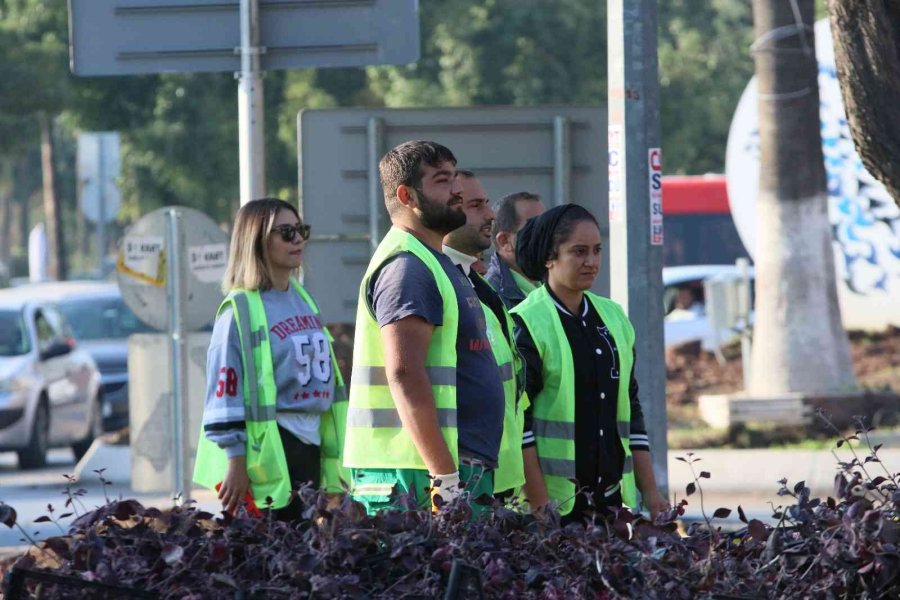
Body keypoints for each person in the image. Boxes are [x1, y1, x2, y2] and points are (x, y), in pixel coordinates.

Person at [343, 141, 505, 514]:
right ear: (406, 195)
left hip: (445, 471)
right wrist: (444, 477)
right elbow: (404, 371)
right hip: (418, 478)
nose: (458, 191)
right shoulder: (408, 268)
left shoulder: (434, 262)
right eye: (442, 181)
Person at [511, 204, 668, 524]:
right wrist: (540, 506)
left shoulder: (614, 318)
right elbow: (519, 424)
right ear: (549, 257)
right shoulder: (527, 322)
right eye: (579, 252)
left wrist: (651, 492)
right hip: (556, 507)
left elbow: (631, 409)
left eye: (597, 250)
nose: (592, 262)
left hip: (610, 502)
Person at [193, 198, 348, 520]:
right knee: (270, 556)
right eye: (286, 232)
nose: (298, 240)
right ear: (256, 240)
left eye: (301, 230)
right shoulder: (239, 309)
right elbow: (225, 388)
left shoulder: (302, 297)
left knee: (304, 554)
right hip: (269, 451)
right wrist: (235, 460)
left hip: (311, 443)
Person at [442, 170, 527, 497]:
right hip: (466, 475)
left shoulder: (474, 285)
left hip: (497, 478)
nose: (490, 214)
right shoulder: (443, 283)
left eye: (486, 203)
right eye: (475, 205)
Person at [485, 191, 546, 308]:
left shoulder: (556, 288)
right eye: (536, 228)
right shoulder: (490, 298)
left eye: (548, 227)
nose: (548, 237)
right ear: (504, 241)